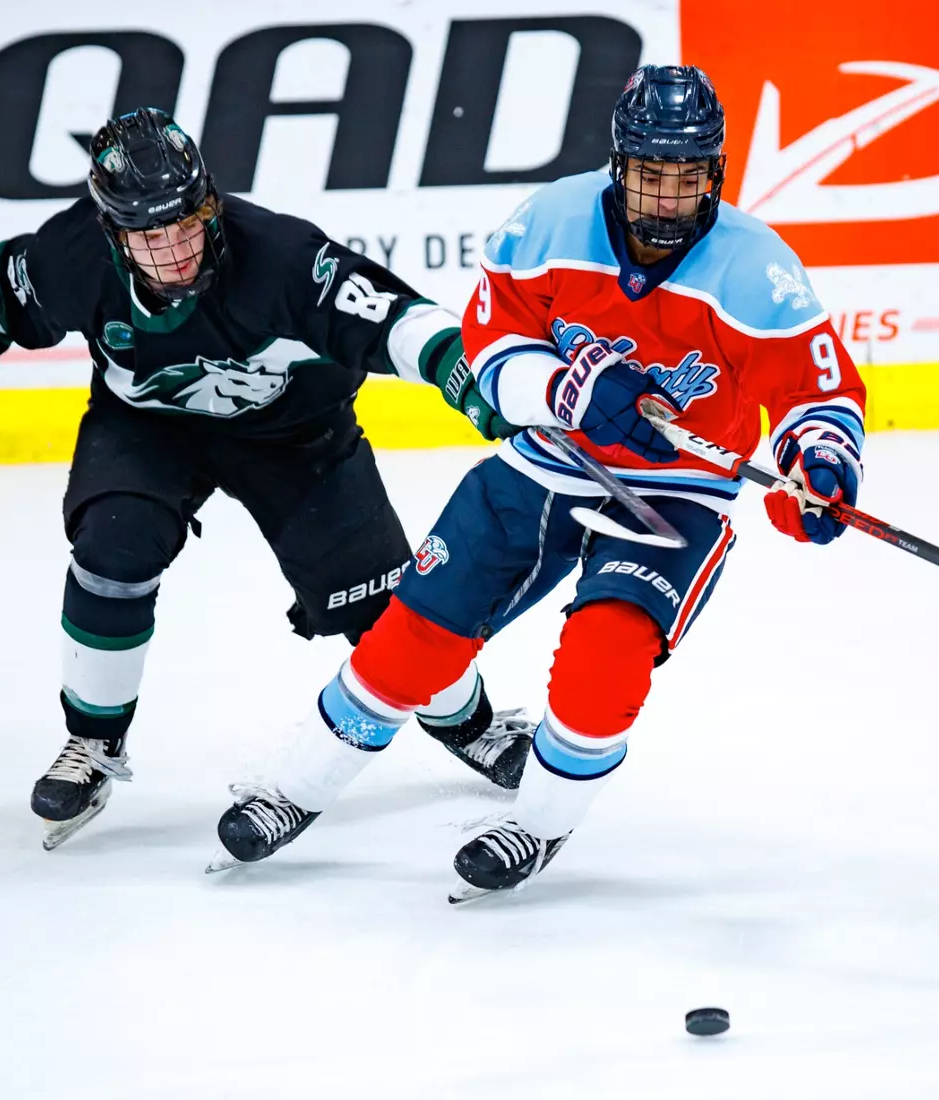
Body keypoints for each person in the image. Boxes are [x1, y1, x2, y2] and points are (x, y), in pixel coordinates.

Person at [214, 65, 867, 900]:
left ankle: (541, 821)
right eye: (649, 177)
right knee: (416, 633)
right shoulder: (549, 222)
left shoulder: (758, 272)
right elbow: (490, 346)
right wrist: (571, 392)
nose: (666, 200)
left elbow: (819, 393)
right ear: (618, 164)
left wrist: (820, 462)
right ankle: (294, 788)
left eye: (687, 179)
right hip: (549, 459)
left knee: (606, 659)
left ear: (717, 173)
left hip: (679, 493)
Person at [0, 108, 531, 852]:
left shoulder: (284, 257)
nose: (173, 253)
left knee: (382, 612)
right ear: (112, 232)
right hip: (149, 428)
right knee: (111, 551)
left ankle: (473, 725)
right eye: (148, 236)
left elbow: (398, 318)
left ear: (210, 206)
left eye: (185, 225)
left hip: (298, 438)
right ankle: (93, 743)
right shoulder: (75, 253)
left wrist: (465, 370)